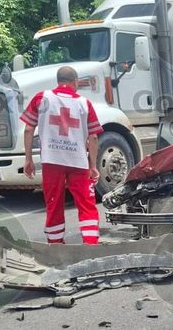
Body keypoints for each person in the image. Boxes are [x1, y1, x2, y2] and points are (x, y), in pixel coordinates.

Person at [21, 66, 104, 244]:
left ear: (58, 81)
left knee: (54, 203)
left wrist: (28, 159)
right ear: (75, 82)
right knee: (86, 204)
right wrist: (93, 165)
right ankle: (91, 243)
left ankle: (56, 245)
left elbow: (28, 129)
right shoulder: (84, 103)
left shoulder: (42, 98)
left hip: (52, 161)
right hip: (78, 161)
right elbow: (94, 137)